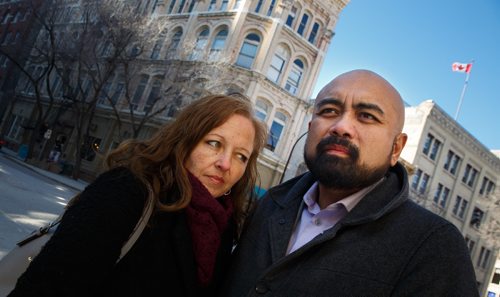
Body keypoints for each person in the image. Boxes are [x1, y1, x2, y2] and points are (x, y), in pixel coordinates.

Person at [221, 70, 479, 297]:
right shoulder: (269, 205)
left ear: (396, 148)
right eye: (329, 111)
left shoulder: (434, 247)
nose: (341, 127)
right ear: (310, 128)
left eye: (366, 116)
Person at [8, 94, 266, 297]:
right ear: (185, 141)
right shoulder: (127, 191)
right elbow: (46, 286)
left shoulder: (226, 228)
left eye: (240, 156)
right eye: (214, 143)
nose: (225, 163)